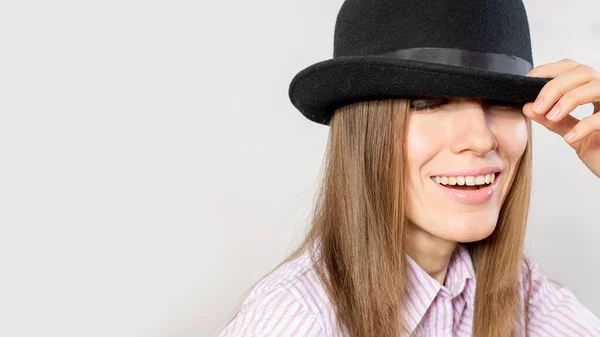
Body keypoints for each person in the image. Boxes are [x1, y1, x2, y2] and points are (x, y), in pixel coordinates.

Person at [216, 0, 600, 336]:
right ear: (366, 130)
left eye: (503, 102)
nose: (481, 139)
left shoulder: (516, 292)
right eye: (427, 103)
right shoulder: (296, 323)